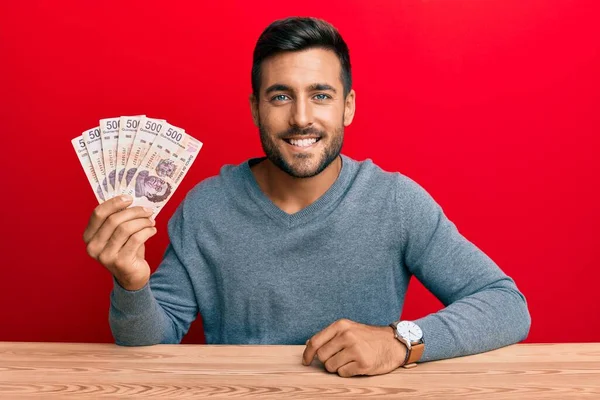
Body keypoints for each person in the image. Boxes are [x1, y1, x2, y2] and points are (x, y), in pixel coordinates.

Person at [83, 17, 530, 378]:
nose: (301, 118)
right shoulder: (207, 207)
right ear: (256, 107)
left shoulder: (394, 201)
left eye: (320, 95)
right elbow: (150, 341)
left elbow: (506, 305)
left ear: (348, 107)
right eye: (280, 96)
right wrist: (132, 284)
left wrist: (400, 341)